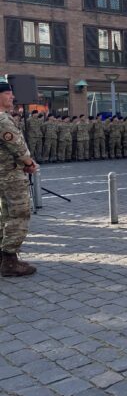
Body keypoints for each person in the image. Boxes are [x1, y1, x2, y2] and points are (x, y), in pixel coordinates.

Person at [0, 78, 37, 277]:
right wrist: (29, 164)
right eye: (8, 93)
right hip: (10, 176)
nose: (12, 96)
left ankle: (3, 256)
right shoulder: (2, 119)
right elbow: (18, 147)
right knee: (19, 214)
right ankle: (10, 260)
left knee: (5, 215)